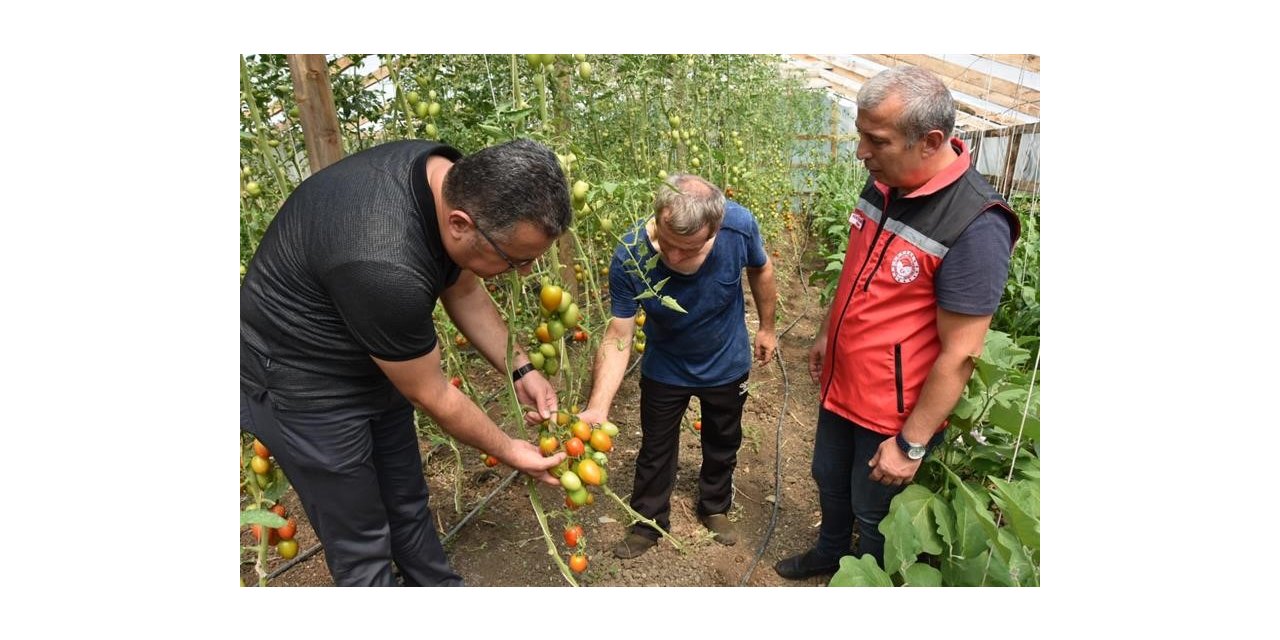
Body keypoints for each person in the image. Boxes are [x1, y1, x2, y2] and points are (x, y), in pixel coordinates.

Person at [240, 138, 572, 586]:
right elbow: (432, 394)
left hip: (376, 354)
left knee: (406, 500)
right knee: (361, 538)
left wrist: (521, 369)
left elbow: (462, 287)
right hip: (301, 383)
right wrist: (511, 450)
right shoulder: (384, 264)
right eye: (516, 260)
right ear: (460, 223)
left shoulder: (446, 173)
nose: (525, 272)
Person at [774, 67, 1021, 579]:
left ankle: (871, 583)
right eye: (861, 135)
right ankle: (831, 552)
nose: (861, 152)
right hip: (845, 381)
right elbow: (857, 266)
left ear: (930, 140)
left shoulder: (976, 224)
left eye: (877, 140)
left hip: (893, 409)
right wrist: (827, 331)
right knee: (828, 477)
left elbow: (961, 352)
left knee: (875, 510)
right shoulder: (886, 179)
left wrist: (911, 444)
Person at [575, 173, 777, 559]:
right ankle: (648, 521)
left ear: (715, 230)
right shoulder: (631, 254)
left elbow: (761, 268)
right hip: (665, 366)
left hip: (726, 361)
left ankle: (714, 506)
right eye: (666, 244)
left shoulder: (739, 227)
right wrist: (598, 406)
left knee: (723, 439)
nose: (673, 258)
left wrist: (767, 327)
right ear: (657, 219)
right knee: (655, 446)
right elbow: (619, 334)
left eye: (689, 249)